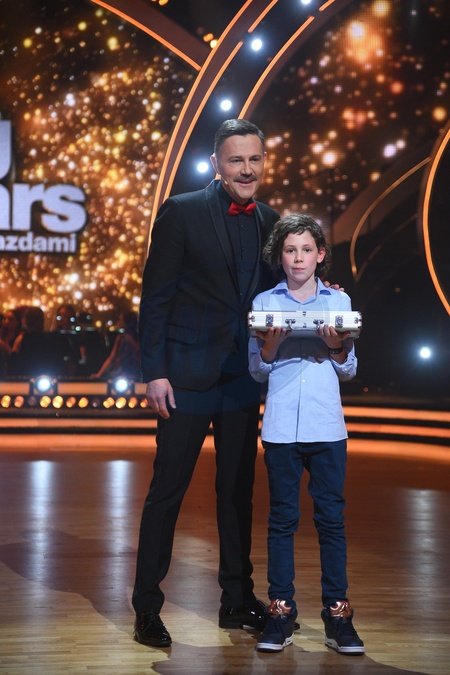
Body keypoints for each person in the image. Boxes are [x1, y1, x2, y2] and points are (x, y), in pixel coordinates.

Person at [132, 118, 281, 648]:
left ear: (264, 162)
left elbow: (277, 293)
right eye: (237, 159)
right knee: (167, 492)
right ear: (217, 163)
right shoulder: (182, 210)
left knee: (237, 492)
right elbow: (155, 297)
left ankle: (236, 601)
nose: (247, 169)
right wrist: (155, 371)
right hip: (185, 378)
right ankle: (147, 608)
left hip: (241, 378)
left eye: (255, 159)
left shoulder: (271, 220)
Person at [248, 213, 364, 655]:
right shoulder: (264, 302)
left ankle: (338, 616)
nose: (298, 258)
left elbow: (349, 369)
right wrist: (271, 346)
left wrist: (335, 346)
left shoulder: (338, 300)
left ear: (320, 255)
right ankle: (281, 613)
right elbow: (257, 371)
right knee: (282, 520)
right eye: (290, 250)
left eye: (306, 250)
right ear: (280, 257)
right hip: (280, 427)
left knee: (331, 520)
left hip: (327, 426)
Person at [91, 311, 140, 381]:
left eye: (120, 319)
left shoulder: (137, 337)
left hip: (135, 373)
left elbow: (139, 356)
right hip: (124, 372)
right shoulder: (121, 338)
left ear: (126, 322)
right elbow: (111, 357)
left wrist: (131, 341)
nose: (118, 322)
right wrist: (99, 374)